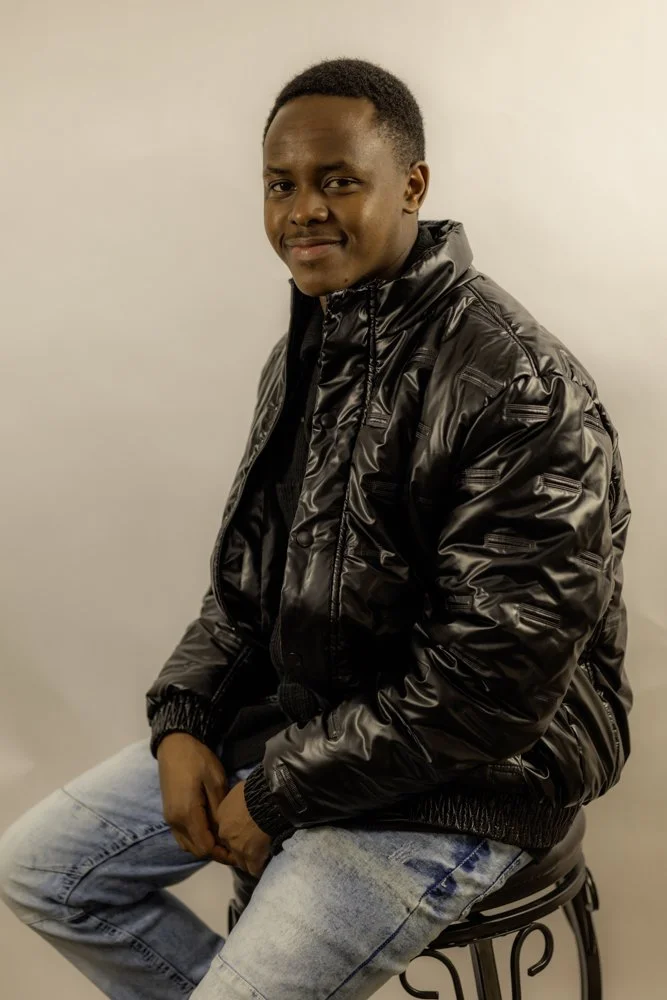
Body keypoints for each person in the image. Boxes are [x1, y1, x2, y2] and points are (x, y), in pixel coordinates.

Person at [0, 56, 632, 1000]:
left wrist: (281, 791)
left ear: (411, 185)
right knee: (43, 872)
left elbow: (491, 686)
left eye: (338, 180)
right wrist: (184, 718)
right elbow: (246, 584)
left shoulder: (517, 383)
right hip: (323, 720)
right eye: (281, 184)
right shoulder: (311, 345)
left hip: (479, 768)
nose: (303, 210)